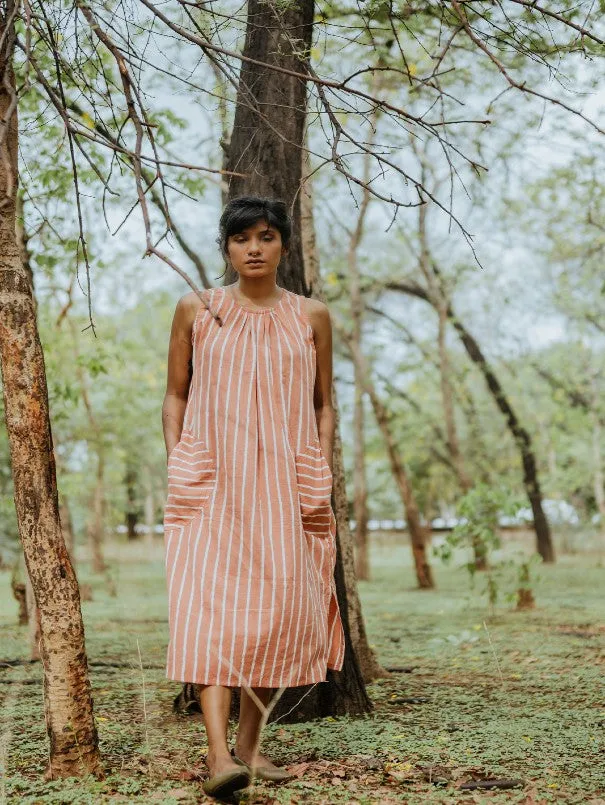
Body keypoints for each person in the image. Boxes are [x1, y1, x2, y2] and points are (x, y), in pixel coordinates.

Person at [161, 195, 345, 799]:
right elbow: (175, 398)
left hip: (286, 489)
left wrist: (315, 468)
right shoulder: (198, 309)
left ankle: (248, 747)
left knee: (276, 616)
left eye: (266, 237)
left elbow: (323, 403)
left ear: (284, 246)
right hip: (212, 487)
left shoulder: (311, 316)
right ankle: (217, 758)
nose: (255, 248)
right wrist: (181, 462)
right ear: (228, 249)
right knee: (210, 615)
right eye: (242, 239)